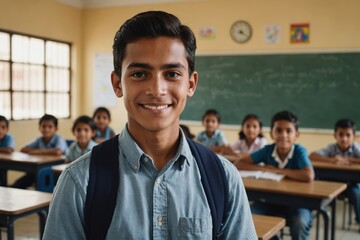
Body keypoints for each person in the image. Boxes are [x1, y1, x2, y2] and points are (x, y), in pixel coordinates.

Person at [43, 11, 257, 239]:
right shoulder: (80, 181)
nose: (156, 90)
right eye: (139, 74)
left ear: (191, 84)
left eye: (172, 73)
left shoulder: (223, 179)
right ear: (117, 84)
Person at [236, 110, 314, 240]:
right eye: (278, 130)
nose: (283, 135)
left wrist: (278, 171)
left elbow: (308, 175)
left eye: (289, 131)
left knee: (300, 222)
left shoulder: (299, 151)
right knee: (247, 218)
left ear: (297, 135)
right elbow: (239, 163)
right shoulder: (268, 150)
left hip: (297, 204)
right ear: (272, 133)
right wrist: (264, 168)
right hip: (268, 202)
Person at [310, 118, 360, 225]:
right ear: (335, 135)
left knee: (357, 194)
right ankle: (312, 215)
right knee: (314, 187)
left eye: (348, 135)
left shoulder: (356, 147)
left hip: (350, 185)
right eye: (340, 135)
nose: (344, 138)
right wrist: (332, 159)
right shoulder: (332, 148)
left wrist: (348, 160)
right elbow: (312, 155)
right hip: (331, 183)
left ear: (354, 137)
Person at [11, 114, 67, 189]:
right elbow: (23, 149)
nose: (46, 129)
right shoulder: (39, 139)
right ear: (39, 128)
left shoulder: (59, 139)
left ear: (56, 128)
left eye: (50, 127)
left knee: (41, 180)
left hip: (56, 173)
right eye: (43, 126)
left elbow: (58, 151)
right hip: (39, 170)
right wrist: (43, 151)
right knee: (19, 184)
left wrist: (38, 151)